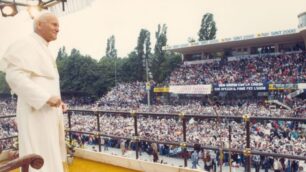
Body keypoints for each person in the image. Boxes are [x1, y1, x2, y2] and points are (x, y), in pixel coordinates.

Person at [0, 12, 67, 172]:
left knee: (51, 153)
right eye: (54, 24)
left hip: (48, 113)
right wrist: (45, 98)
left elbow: (44, 82)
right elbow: (14, 77)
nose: (58, 29)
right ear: (39, 25)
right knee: (39, 156)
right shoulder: (26, 43)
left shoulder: (43, 47)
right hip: (35, 113)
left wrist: (58, 102)